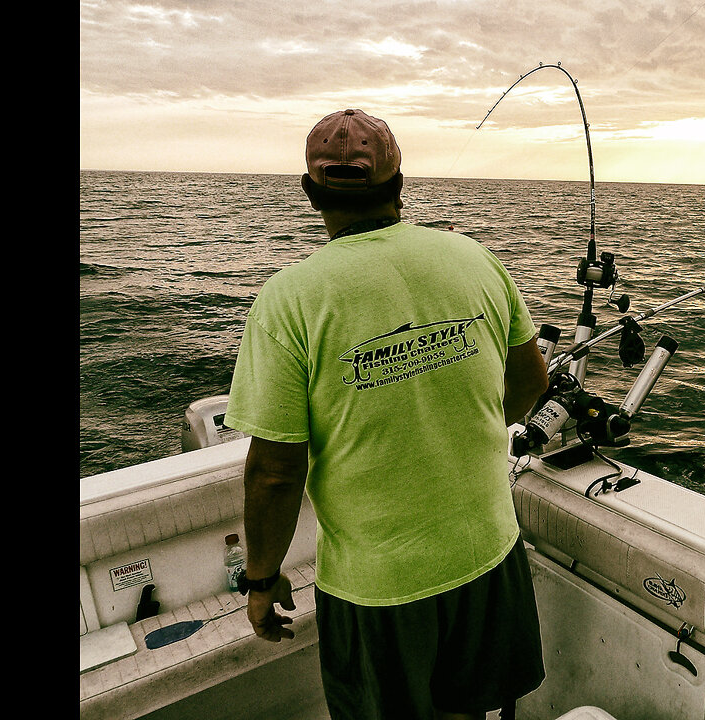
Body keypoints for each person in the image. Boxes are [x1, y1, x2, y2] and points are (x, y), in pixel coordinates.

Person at [224, 108, 549, 720]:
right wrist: (462, 417)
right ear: (400, 185)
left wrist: (261, 581)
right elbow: (532, 378)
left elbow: (275, 471)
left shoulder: (289, 299)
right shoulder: (473, 257)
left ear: (310, 191)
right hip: (490, 556)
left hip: (379, 591)